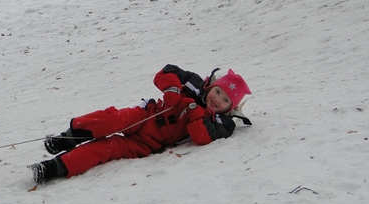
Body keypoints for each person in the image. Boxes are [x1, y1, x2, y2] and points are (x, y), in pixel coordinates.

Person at [29, 65, 251, 184]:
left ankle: (54, 168)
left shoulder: (221, 123)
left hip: (149, 143)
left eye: (225, 100)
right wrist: (172, 91)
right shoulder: (193, 83)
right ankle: (67, 137)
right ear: (212, 85)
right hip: (146, 115)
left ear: (230, 108)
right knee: (110, 119)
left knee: (108, 149)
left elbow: (202, 137)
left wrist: (194, 111)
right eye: (218, 92)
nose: (217, 100)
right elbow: (166, 72)